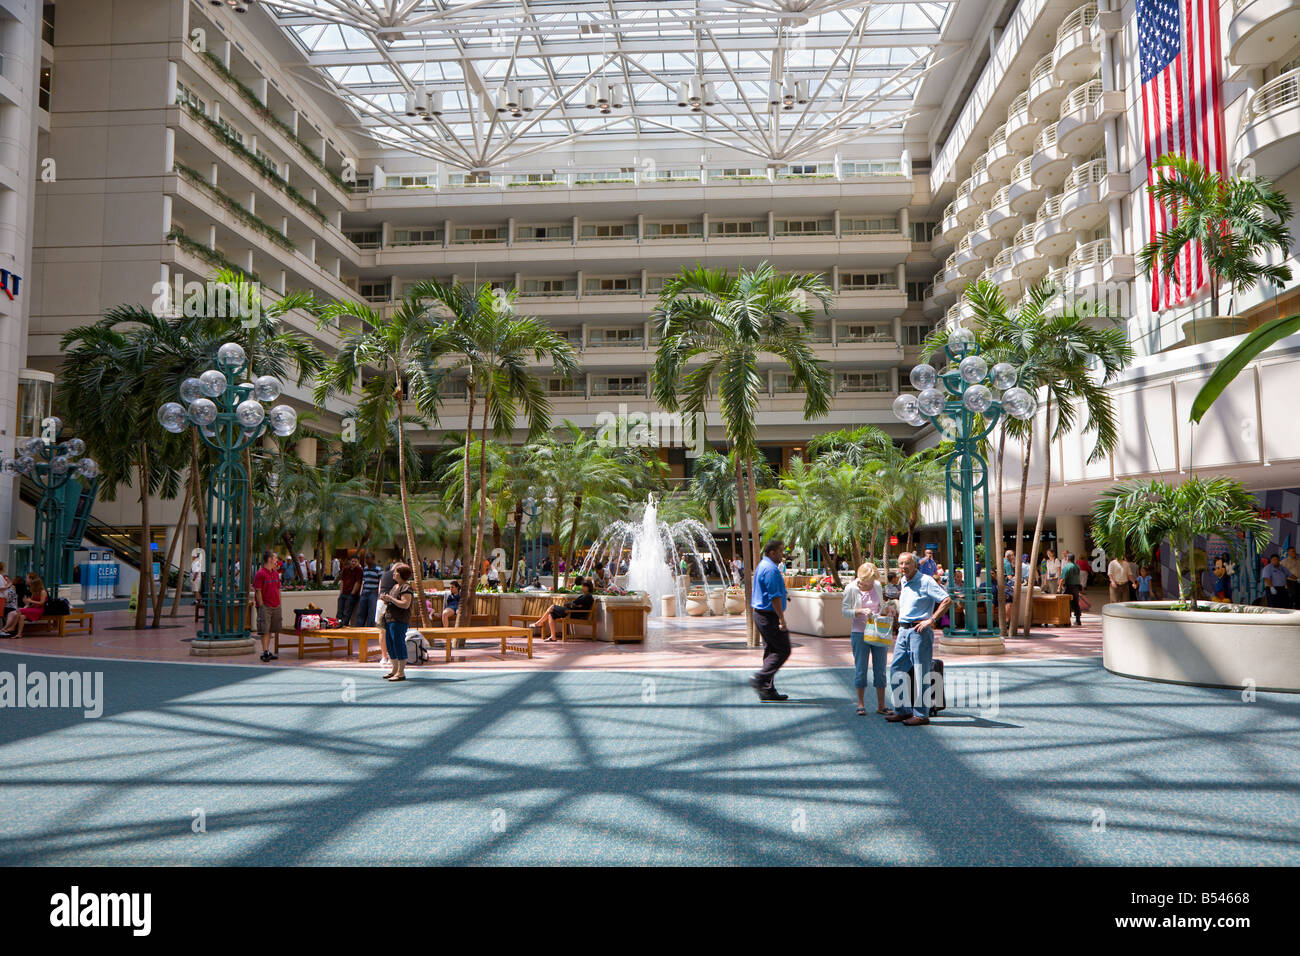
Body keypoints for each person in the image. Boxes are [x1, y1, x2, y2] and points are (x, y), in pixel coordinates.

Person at [885, 552, 951, 726]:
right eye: (900, 564)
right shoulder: (904, 580)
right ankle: (903, 710)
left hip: (919, 632)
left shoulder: (926, 581)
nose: (903, 567)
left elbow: (946, 600)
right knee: (896, 670)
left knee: (921, 673)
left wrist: (931, 620)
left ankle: (921, 714)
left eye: (907, 563)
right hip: (903, 631)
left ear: (915, 565)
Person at [842, 562, 889, 716]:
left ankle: (881, 705)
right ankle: (860, 703)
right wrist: (860, 611)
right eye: (868, 579)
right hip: (859, 632)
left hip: (878, 630)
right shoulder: (851, 588)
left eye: (873, 579)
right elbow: (845, 611)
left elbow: (880, 605)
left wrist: (885, 611)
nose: (871, 582)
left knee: (880, 669)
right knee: (861, 669)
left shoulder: (876, 586)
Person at [748, 539, 791, 702]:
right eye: (780, 552)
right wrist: (782, 619)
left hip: (762, 614)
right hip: (769, 616)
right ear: (772, 552)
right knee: (783, 649)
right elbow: (774, 597)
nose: (783, 555)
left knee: (771, 651)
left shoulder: (763, 565)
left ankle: (767, 689)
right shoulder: (770, 569)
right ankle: (760, 679)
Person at [379, 563, 415, 681]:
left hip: (399, 620)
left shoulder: (406, 587)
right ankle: (394, 669)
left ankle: (401, 672)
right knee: (390, 644)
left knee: (398, 643)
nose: (393, 573)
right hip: (389, 618)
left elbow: (405, 604)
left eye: (396, 572)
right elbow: (392, 601)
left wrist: (391, 599)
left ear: (401, 574)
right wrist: (386, 599)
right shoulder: (394, 587)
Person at [529, 579, 595, 642]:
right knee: (551, 615)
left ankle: (539, 623)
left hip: (573, 613)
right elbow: (574, 603)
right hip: (571, 611)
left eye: (584, 586)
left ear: (588, 587)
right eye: (582, 586)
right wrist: (573, 604)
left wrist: (573, 604)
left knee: (552, 607)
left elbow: (575, 603)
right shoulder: (583, 596)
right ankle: (553, 636)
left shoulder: (588, 596)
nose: (582, 587)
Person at [252, 551, 282, 662]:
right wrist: (261, 605)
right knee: (264, 630)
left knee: (270, 629)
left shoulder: (275, 573)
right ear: (270, 559)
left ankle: (268, 651)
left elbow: (278, 588)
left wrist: (279, 603)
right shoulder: (260, 574)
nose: (277, 559)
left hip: (275, 605)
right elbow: (258, 591)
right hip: (265, 606)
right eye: (275, 557)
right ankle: (265, 652)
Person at [1, 571, 45, 638]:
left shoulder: (43, 592)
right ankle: (19, 634)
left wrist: (31, 601)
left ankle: (11, 627)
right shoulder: (34, 592)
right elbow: (31, 603)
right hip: (33, 608)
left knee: (19, 610)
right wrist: (28, 603)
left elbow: (42, 603)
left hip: (39, 610)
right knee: (22, 617)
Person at [358, 553, 382, 634]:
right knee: (361, 612)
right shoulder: (365, 569)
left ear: (373, 559)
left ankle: (369, 631)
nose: (367, 560)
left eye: (368, 558)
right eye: (366, 558)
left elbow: (380, 582)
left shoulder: (378, 569)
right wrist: (361, 591)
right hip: (365, 592)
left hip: (373, 592)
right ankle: (359, 630)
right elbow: (363, 581)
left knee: (371, 612)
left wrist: (379, 593)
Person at [337, 555, 362, 626]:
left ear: (358, 562)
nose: (353, 563)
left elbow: (358, 582)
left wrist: (352, 593)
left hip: (351, 595)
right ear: (349, 561)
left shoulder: (359, 570)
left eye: (355, 561)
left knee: (346, 613)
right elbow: (342, 581)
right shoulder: (345, 569)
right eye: (352, 561)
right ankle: (338, 626)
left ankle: (344, 627)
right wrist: (341, 592)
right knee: (339, 612)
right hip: (343, 594)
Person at [1061, 552, 1082, 626]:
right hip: (1076, 587)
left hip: (1068, 587)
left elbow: (1062, 579)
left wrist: (1059, 587)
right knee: (1076, 603)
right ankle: (1078, 620)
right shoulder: (1077, 567)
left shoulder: (1067, 567)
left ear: (1067, 559)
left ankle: (1067, 621)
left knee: (1066, 603)